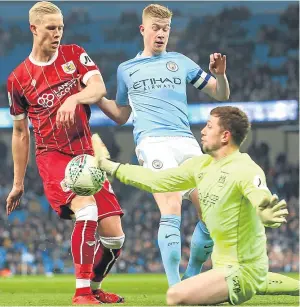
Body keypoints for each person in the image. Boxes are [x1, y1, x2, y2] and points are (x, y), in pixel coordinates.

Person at [92, 106, 299, 305]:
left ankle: (249, 282)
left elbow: (260, 196)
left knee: (175, 295)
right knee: (255, 279)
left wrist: (265, 214)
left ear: (225, 136)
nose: (202, 131)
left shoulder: (245, 169)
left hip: (241, 270)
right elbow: (156, 180)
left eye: (209, 126)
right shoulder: (201, 165)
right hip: (225, 268)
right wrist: (110, 166)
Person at [96, 3, 229, 287]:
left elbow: (220, 94)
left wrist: (220, 74)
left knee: (210, 210)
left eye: (166, 29)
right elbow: (121, 115)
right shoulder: (126, 70)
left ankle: (192, 273)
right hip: (152, 142)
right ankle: (174, 286)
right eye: (155, 28)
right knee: (171, 207)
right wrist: (96, 98)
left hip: (187, 143)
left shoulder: (180, 62)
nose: (161, 34)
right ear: (143, 30)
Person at [6, 1, 124, 304]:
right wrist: (18, 183)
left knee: (114, 238)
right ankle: (81, 293)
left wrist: (75, 99)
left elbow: (97, 88)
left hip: (86, 153)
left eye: (60, 27)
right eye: (51, 28)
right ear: (34, 29)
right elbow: (20, 133)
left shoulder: (74, 54)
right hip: (53, 156)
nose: (57, 33)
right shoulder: (18, 79)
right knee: (85, 209)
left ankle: (95, 288)